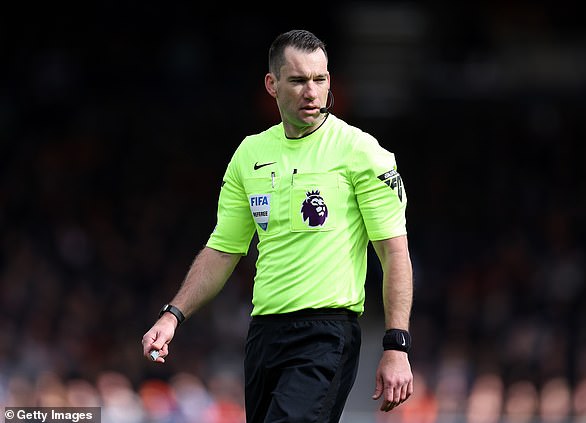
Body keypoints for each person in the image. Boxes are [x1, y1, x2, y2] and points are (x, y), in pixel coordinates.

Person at [141, 28, 414, 422]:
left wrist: (396, 344)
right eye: (299, 80)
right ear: (272, 84)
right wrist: (173, 314)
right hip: (264, 334)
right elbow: (223, 249)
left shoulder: (361, 152)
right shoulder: (249, 154)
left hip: (327, 332)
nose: (311, 92)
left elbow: (394, 253)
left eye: (320, 80)